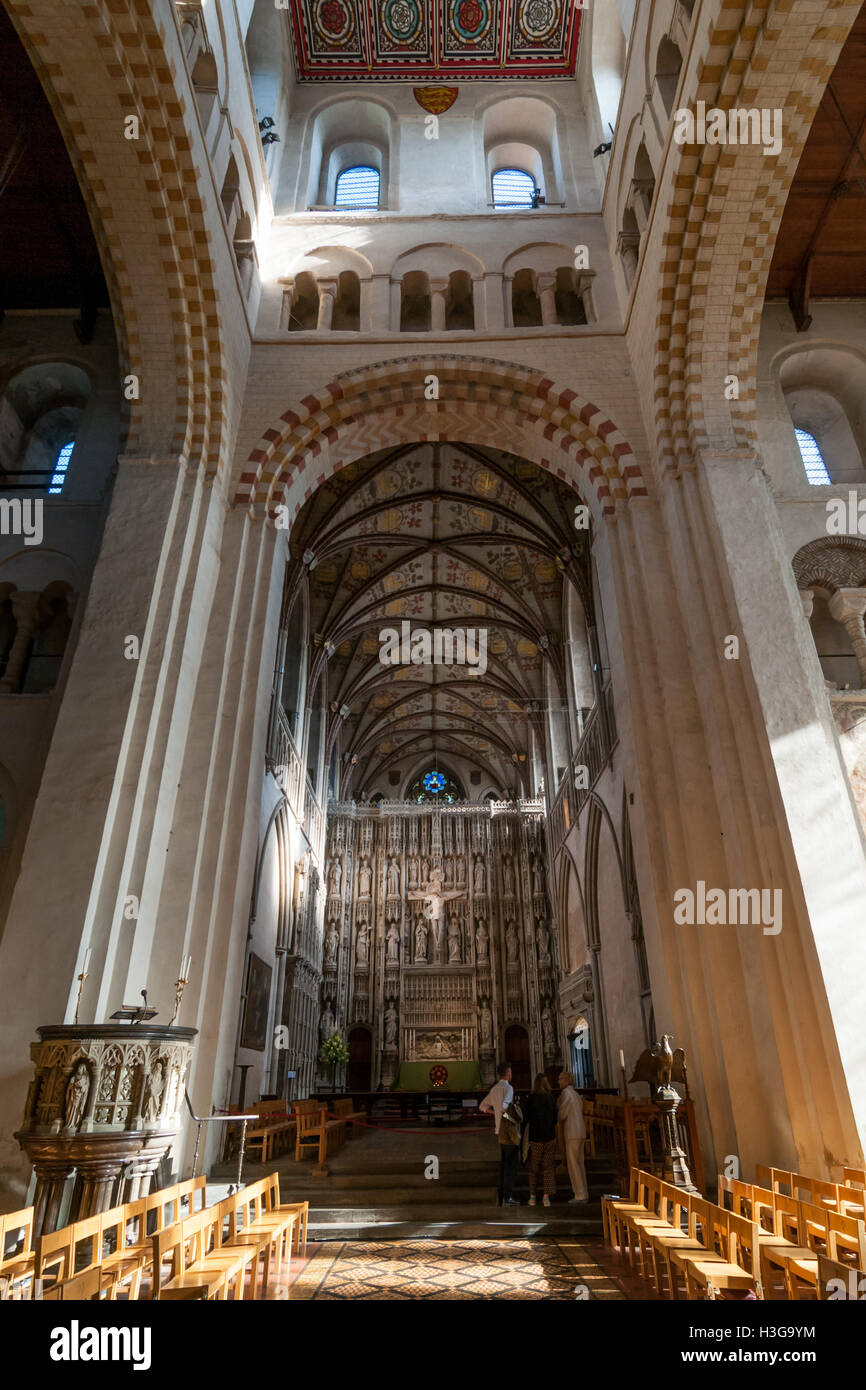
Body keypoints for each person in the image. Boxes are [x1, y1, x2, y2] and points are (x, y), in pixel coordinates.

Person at [480, 1062, 520, 1206]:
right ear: (508, 1073)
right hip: (509, 1131)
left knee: (504, 1165)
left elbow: (482, 1106)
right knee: (511, 1166)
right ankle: (508, 1196)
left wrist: (494, 1112)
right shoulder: (508, 1088)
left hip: (499, 1130)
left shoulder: (495, 1088)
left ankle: (501, 1195)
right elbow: (504, 1107)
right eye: (510, 1072)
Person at [523, 1073, 557, 1207]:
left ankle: (532, 1197)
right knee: (548, 1168)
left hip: (536, 1138)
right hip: (549, 1137)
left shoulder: (531, 1099)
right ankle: (546, 1198)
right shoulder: (551, 1098)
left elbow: (526, 1118)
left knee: (534, 1168)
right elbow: (555, 1118)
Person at [557, 1069, 588, 1203]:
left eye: (560, 1079)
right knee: (580, 1163)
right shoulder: (575, 1094)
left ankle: (579, 1195)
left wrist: (556, 1116)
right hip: (581, 1130)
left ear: (566, 1080)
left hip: (572, 1132)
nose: (558, 1082)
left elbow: (563, 1113)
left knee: (573, 1164)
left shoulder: (566, 1093)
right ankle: (584, 1192)